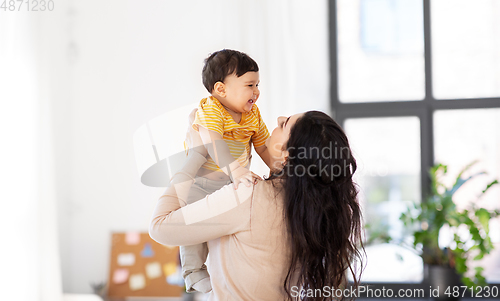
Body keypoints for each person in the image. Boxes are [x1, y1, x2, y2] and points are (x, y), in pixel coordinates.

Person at [150, 109, 364, 300]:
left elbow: (160, 226)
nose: (279, 118)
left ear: (287, 156)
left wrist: (196, 155)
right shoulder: (313, 209)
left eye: (284, 124)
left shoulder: (249, 197)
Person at [180, 49, 272, 293]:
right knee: (193, 225)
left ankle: (232, 272)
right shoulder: (211, 109)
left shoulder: (252, 114)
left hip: (230, 183)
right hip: (201, 182)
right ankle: (193, 271)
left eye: (257, 84)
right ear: (221, 89)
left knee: (228, 231)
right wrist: (237, 170)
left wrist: (278, 168)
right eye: (250, 85)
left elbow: (263, 145)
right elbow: (214, 143)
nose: (256, 91)